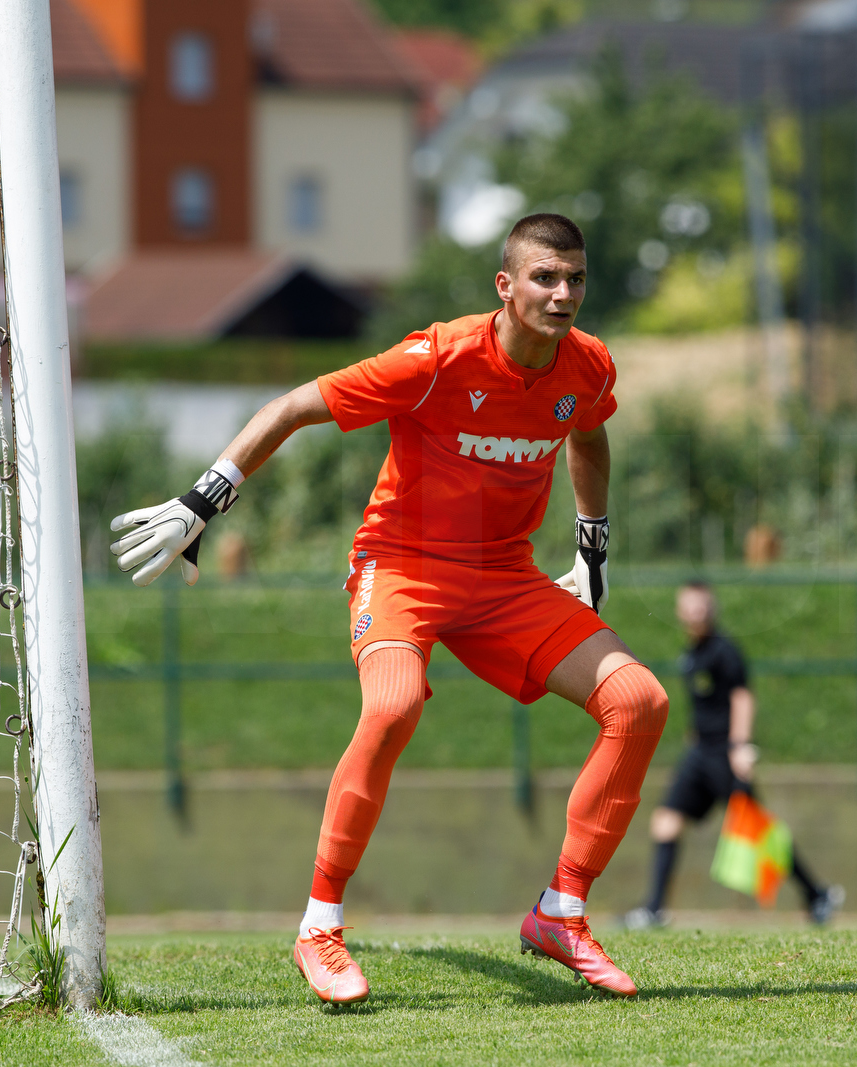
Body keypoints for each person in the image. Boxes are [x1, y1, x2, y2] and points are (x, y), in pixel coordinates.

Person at [110, 214, 669, 1004]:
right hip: (401, 567)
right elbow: (294, 405)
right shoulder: (436, 357)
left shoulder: (588, 365)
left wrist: (592, 546)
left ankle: (562, 911)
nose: (564, 292)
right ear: (506, 287)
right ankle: (319, 926)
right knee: (396, 704)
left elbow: (588, 433)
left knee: (639, 700)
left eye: (575, 277)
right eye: (545, 277)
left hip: (504, 577)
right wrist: (204, 499)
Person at [624, 581, 843, 929]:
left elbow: (742, 697)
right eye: (689, 607)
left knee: (757, 830)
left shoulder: (725, 651)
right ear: (680, 612)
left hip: (725, 754)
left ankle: (817, 894)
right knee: (665, 821)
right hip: (699, 754)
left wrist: (740, 746)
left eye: (702, 607)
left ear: (712, 609)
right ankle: (654, 909)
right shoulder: (691, 654)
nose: (696, 613)